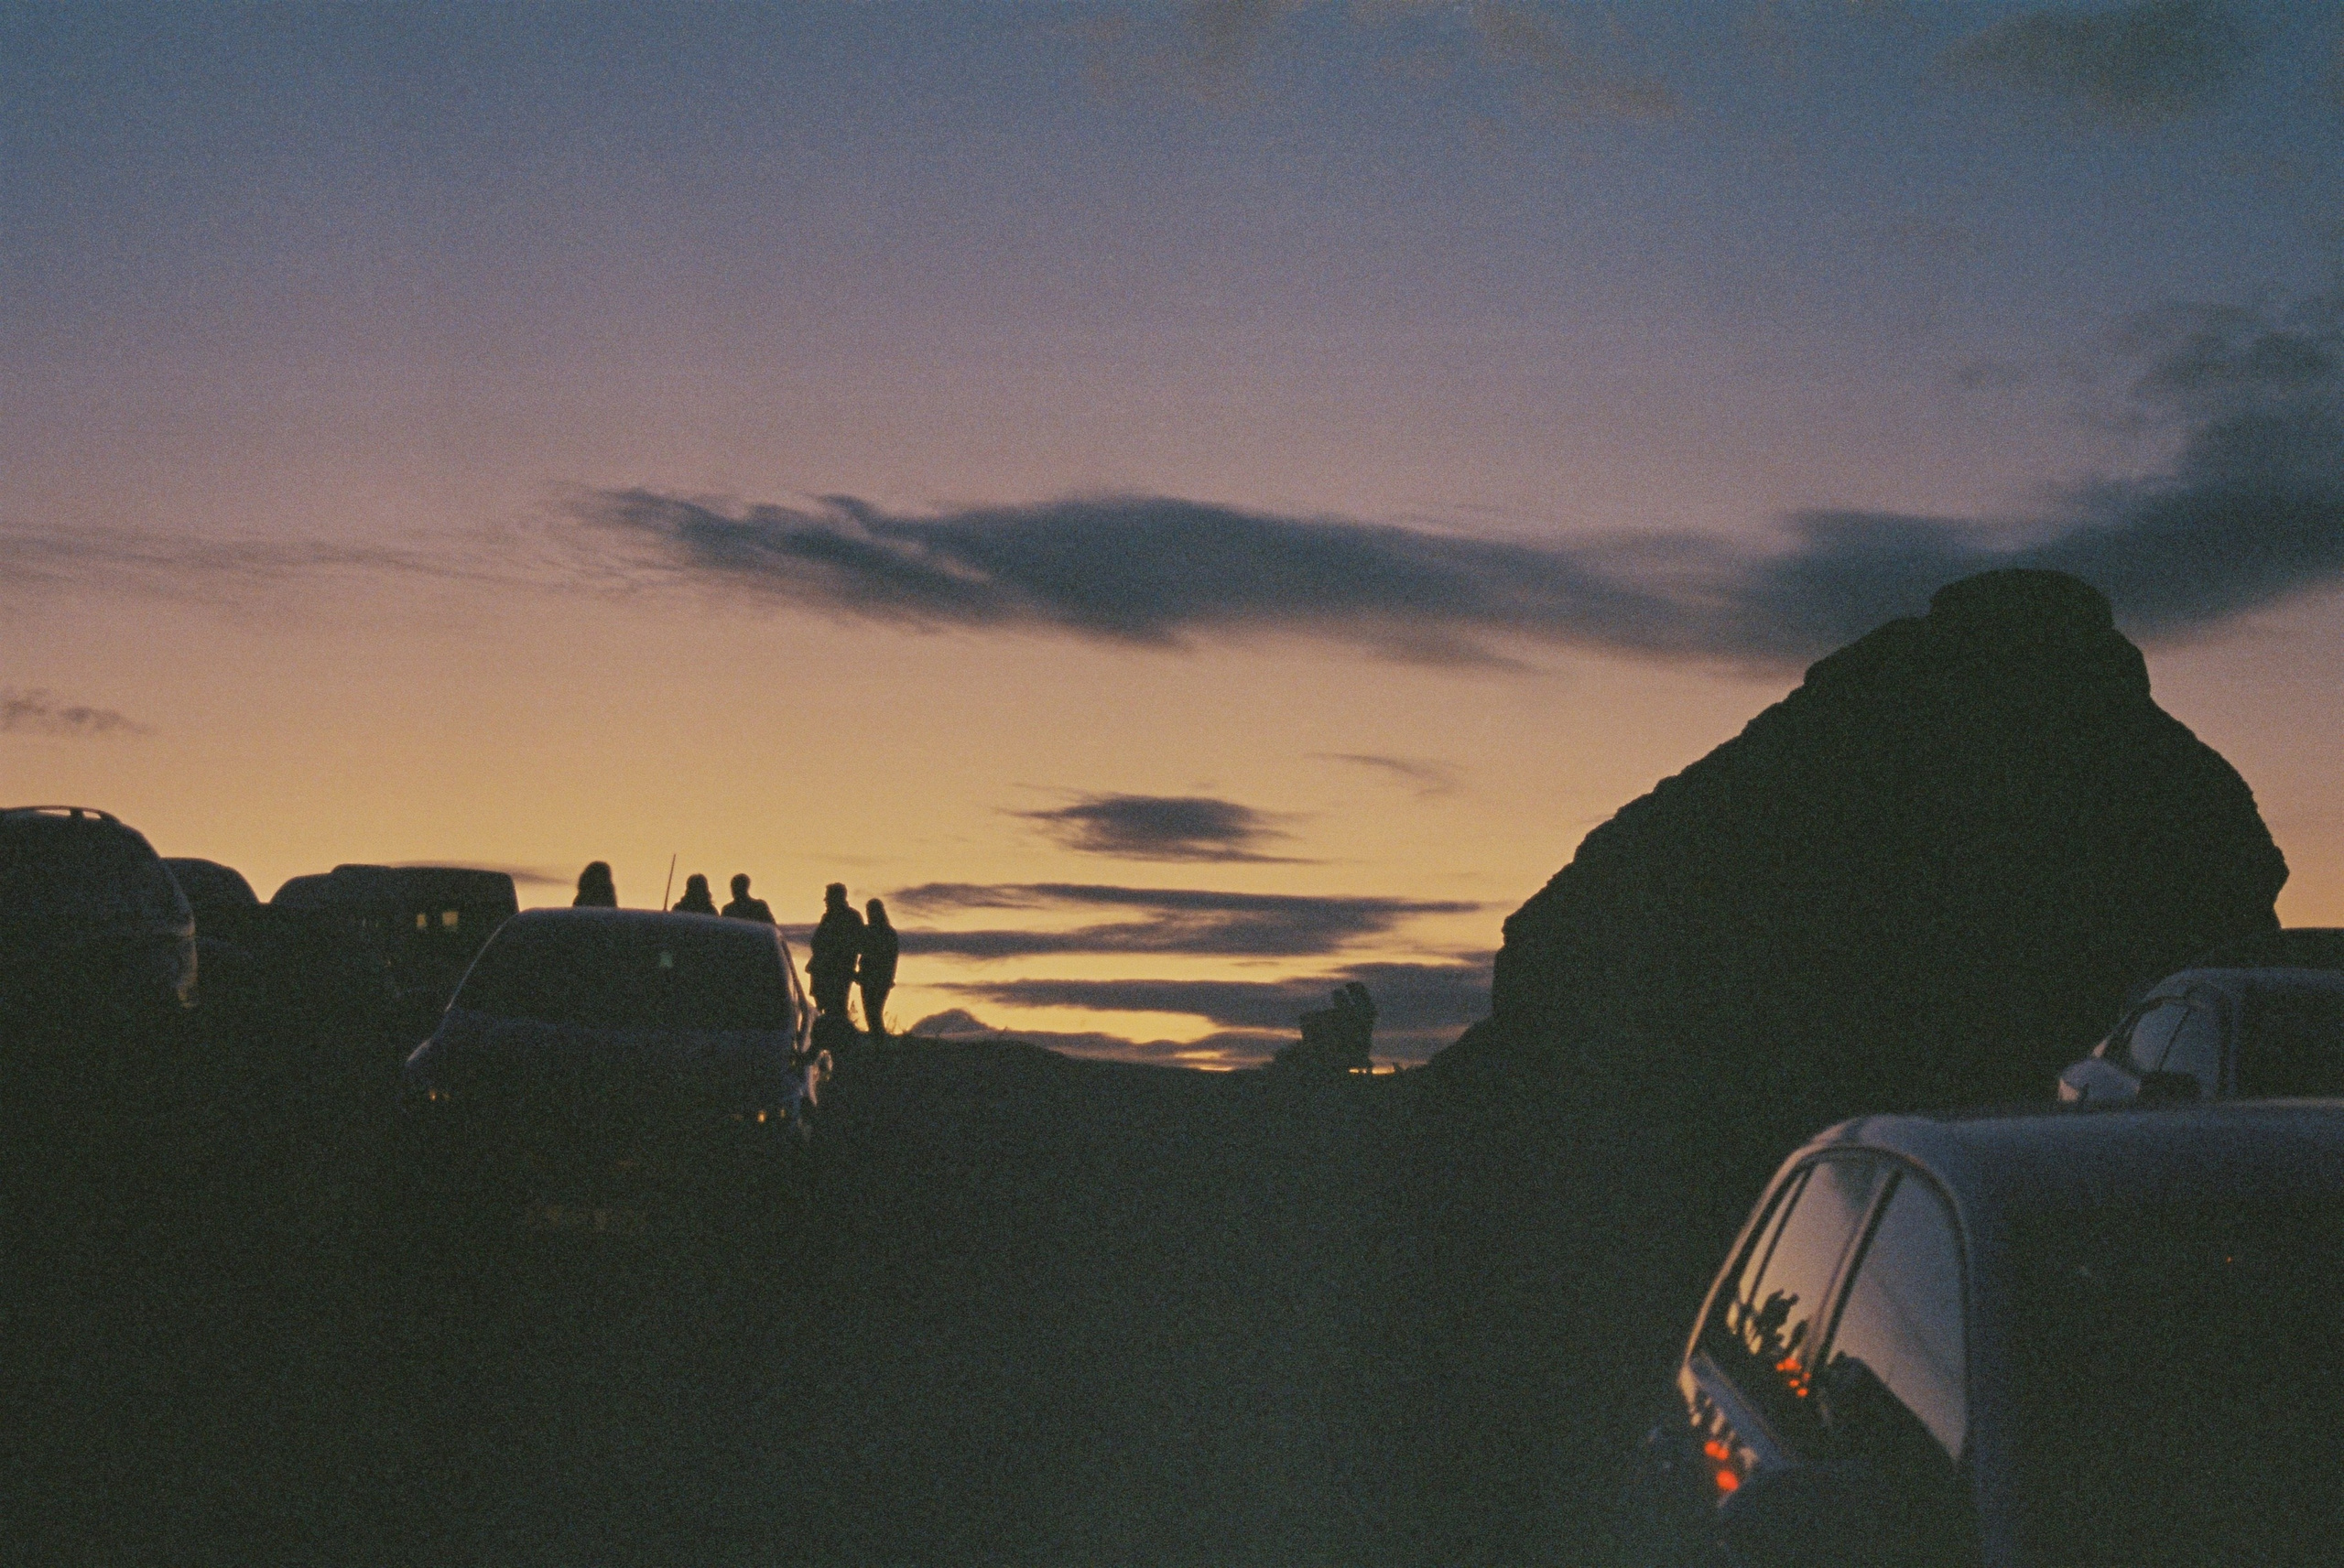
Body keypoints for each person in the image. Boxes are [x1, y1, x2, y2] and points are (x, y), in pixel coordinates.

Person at [808, 882, 864, 1021]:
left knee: (836, 1010)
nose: (825, 901)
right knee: (823, 1009)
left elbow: (857, 944)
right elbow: (817, 942)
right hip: (823, 971)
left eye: (828, 897)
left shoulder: (851, 917)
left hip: (839, 972)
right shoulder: (828, 917)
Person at [858, 897, 899, 1039]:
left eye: (871, 911)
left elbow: (891, 959)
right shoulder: (872, 931)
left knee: (873, 1013)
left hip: (878, 979)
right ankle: (879, 1040)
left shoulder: (887, 933)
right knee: (871, 1014)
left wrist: (888, 978)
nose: (870, 914)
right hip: (869, 978)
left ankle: (880, 1041)